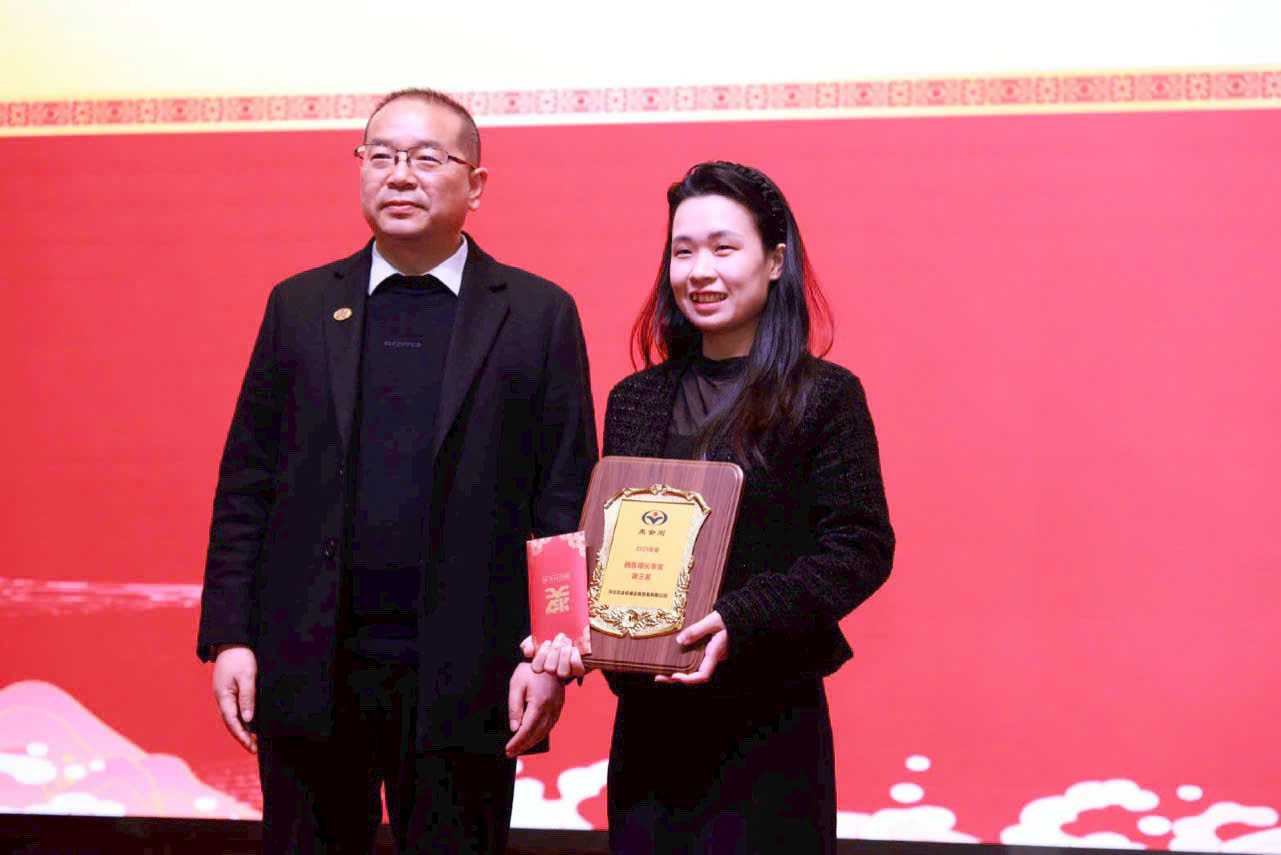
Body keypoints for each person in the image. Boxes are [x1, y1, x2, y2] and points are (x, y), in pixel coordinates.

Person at [196, 88, 597, 855]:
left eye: (426, 158)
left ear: (476, 184)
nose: (400, 174)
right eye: (380, 155)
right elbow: (248, 482)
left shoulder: (537, 314)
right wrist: (230, 636)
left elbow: (563, 497)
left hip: (469, 669)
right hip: (312, 665)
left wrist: (554, 651)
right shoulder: (300, 305)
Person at [530, 161, 894, 853]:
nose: (700, 271)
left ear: (775, 261)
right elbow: (608, 547)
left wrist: (738, 618)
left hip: (770, 726)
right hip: (652, 731)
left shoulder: (824, 395)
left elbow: (860, 546)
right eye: (683, 251)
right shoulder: (634, 399)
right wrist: (569, 629)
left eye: (724, 248)